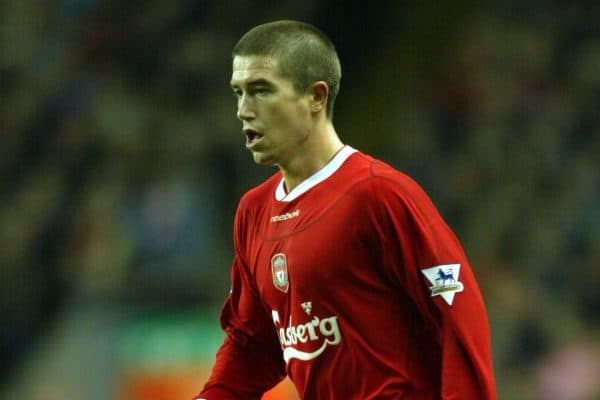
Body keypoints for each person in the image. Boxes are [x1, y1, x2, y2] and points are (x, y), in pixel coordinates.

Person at [195, 20, 496, 400]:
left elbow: (457, 309)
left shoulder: (379, 195)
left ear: (316, 97)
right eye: (238, 93)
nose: (243, 110)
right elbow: (253, 342)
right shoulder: (254, 212)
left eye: (260, 91)